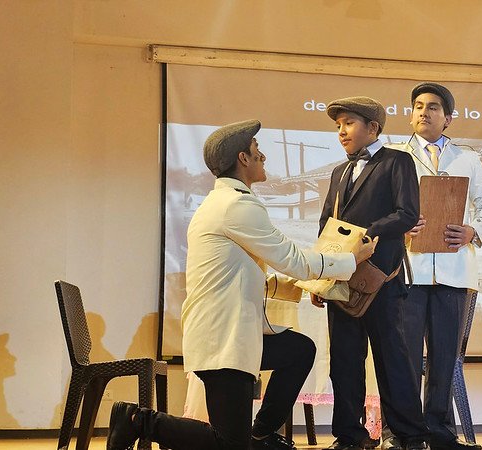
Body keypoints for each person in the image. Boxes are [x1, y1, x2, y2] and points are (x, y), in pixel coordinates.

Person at [106, 119, 378, 450]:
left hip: (233, 333)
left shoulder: (224, 202)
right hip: (223, 338)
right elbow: (293, 259)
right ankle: (139, 420)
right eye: (256, 149)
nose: (262, 156)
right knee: (230, 445)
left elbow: (243, 273)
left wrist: (306, 288)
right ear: (243, 158)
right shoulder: (236, 205)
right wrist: (352, 259)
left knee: (299, 350)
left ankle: (260, 433)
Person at [310, 97, 430, 450]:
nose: (341, 132)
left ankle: (410, 435)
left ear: (373, 127)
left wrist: (364, 235)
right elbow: (326, 225)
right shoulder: (339, 172)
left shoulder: (397, 161)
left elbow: (407, 214)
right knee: (344, 360)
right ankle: (350, 436)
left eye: (348, 123)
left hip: (382, 278)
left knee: (392, 358)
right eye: (338, 126)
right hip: (341, 278)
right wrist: (320, 276)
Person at [385, 83, 482, 450]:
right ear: (410, 115)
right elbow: (380, 209)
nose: (424, 112)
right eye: (418, 106)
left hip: (454, 272)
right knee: (401, 356)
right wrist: (400, 227)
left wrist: (473, 230)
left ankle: (439, 433)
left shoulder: (468, 158)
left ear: (447, 118)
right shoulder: (394, 156)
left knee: (444, 357)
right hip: (407, 271)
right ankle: (398, 432)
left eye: (433, 107)